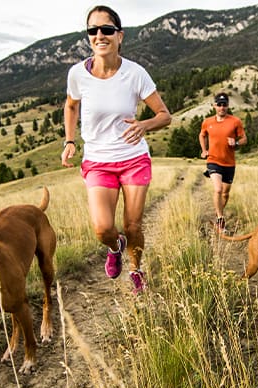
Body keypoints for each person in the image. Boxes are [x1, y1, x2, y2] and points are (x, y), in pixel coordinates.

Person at [61, 5, 171, 294]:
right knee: (102, 229)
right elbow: (71, 105)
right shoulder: (77, 74)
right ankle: (115, 246)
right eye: (93, 30)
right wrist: (69, 140)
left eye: (107, 30)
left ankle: (136, 270)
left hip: (134, 159)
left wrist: (145, 125)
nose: (100, 35)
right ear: (88, 37)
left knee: (133, 225)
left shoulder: (135, 74)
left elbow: (164, 115)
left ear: (119, 36)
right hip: (97, 162)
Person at [199, 92, 247, 233]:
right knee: (218, 189)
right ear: (214, 106)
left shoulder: (235, 121)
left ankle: (218, 212)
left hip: (229, 163)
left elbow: (244, 139)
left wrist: (236, 142)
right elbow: (202, 135)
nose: (221, 107)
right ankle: (220, 219)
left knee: (225, 194)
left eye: (224, 104)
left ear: (228, 106)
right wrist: (204, 150)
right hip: (213, 160)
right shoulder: (207, 122)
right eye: (219, 104)